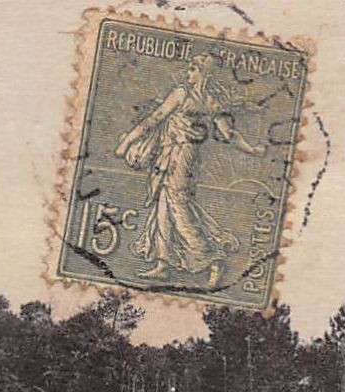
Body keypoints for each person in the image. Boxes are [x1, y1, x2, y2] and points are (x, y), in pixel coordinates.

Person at [113, 52, 267, 287]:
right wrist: (253, 150)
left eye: (194, 68)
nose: (189, 71)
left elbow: (153, 119)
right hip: (184, 156)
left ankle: (210, 258)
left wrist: (126, 143)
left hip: (178, 156)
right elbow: (229, 134)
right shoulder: (211, 101)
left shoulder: (182, 94)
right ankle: (163, 264)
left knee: (177, 207)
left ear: (204, 73)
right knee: (164, 204)